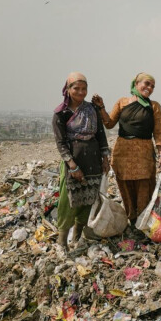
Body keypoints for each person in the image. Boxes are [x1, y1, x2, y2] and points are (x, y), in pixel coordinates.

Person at [92, 72, 161, 224]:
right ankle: (132, 219)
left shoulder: (154, 107)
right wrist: (101, 107)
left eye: (152, 86)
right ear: (136, 84)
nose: (149, 88)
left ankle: (143, 221)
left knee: (145, 185)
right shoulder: (122, 102)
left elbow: (158, 132)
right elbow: (109, 123)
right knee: (125, 186)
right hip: (122, 152)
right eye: (146, 84)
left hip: (144, 152)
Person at [53, 72, 110, 249]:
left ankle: (76, 239)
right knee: (67, 202)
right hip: (74, 162)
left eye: (83, 88)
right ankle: (61, 243)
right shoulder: (61, 113)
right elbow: (61, 143)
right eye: (76, 88)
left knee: (88, 200)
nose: (80, 91)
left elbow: (101, 135)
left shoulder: (91, 109)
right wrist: (72, 165)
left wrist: (105, 157)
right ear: (68, 89)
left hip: (93, 161)